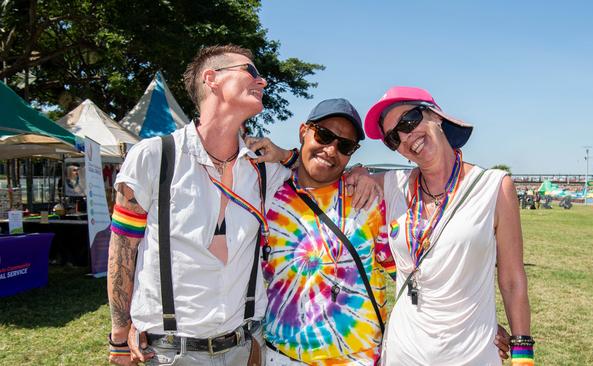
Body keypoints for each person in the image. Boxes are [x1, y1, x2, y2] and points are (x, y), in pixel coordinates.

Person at [246, 99, 512, 365]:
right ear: (304, 131)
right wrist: (287, 156)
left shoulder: (368, 199)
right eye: (324, 135)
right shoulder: (267, 195)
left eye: (345, 145)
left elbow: (419, 276)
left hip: (360, 358)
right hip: (283, 356)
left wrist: (477, 323)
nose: (331, 149)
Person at [107, 44, 291, 366]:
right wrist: (119, 336)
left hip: (244, 347)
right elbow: (123, 248)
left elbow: (323, 173)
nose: (262, 82)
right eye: (251, 71)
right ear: (212, 79)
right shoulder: (155, 157)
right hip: (168, 353)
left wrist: (290, 155)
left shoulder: (265, 167)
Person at [362, 86, 533, 365]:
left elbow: (513, 280)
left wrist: (523, 352)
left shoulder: (494, 187)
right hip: (403, 353)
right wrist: (288, 157)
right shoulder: (393, 184)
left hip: (472, 355)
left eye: (409, 120)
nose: (406, 137)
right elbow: (335, 178)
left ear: (436, 116)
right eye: (394, 137)